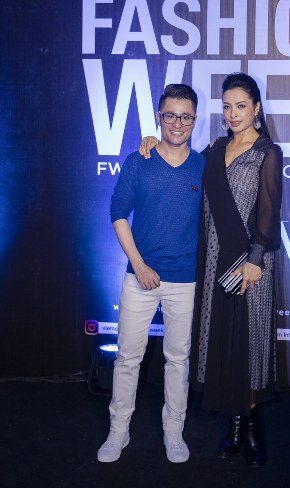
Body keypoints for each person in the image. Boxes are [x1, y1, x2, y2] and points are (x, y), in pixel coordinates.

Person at [140, 72, 283, 468]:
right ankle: (234, 427)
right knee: (223, 343)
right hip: (214, 259)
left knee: (248, 345)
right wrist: (153, 141)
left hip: (250, 263)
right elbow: (181, 161)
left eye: (241, 106)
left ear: (256, 108)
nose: (233, 113)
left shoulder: (267, 152)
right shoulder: (215, 148)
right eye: (227, 106)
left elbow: (270, 210)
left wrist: (255, 259)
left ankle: (253, 430)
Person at [97, 84, 205, 464]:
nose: (177, 123)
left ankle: (173, 432)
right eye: (170, 115)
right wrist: (140, 265)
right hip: (139, 277)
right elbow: (117, 211)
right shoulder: (138, 160)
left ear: (195, 120)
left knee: (178, 360)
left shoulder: (204, 166)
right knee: (127, 358)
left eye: (185, 116)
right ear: (159, 117)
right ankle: (118, 431)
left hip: (185, 279)